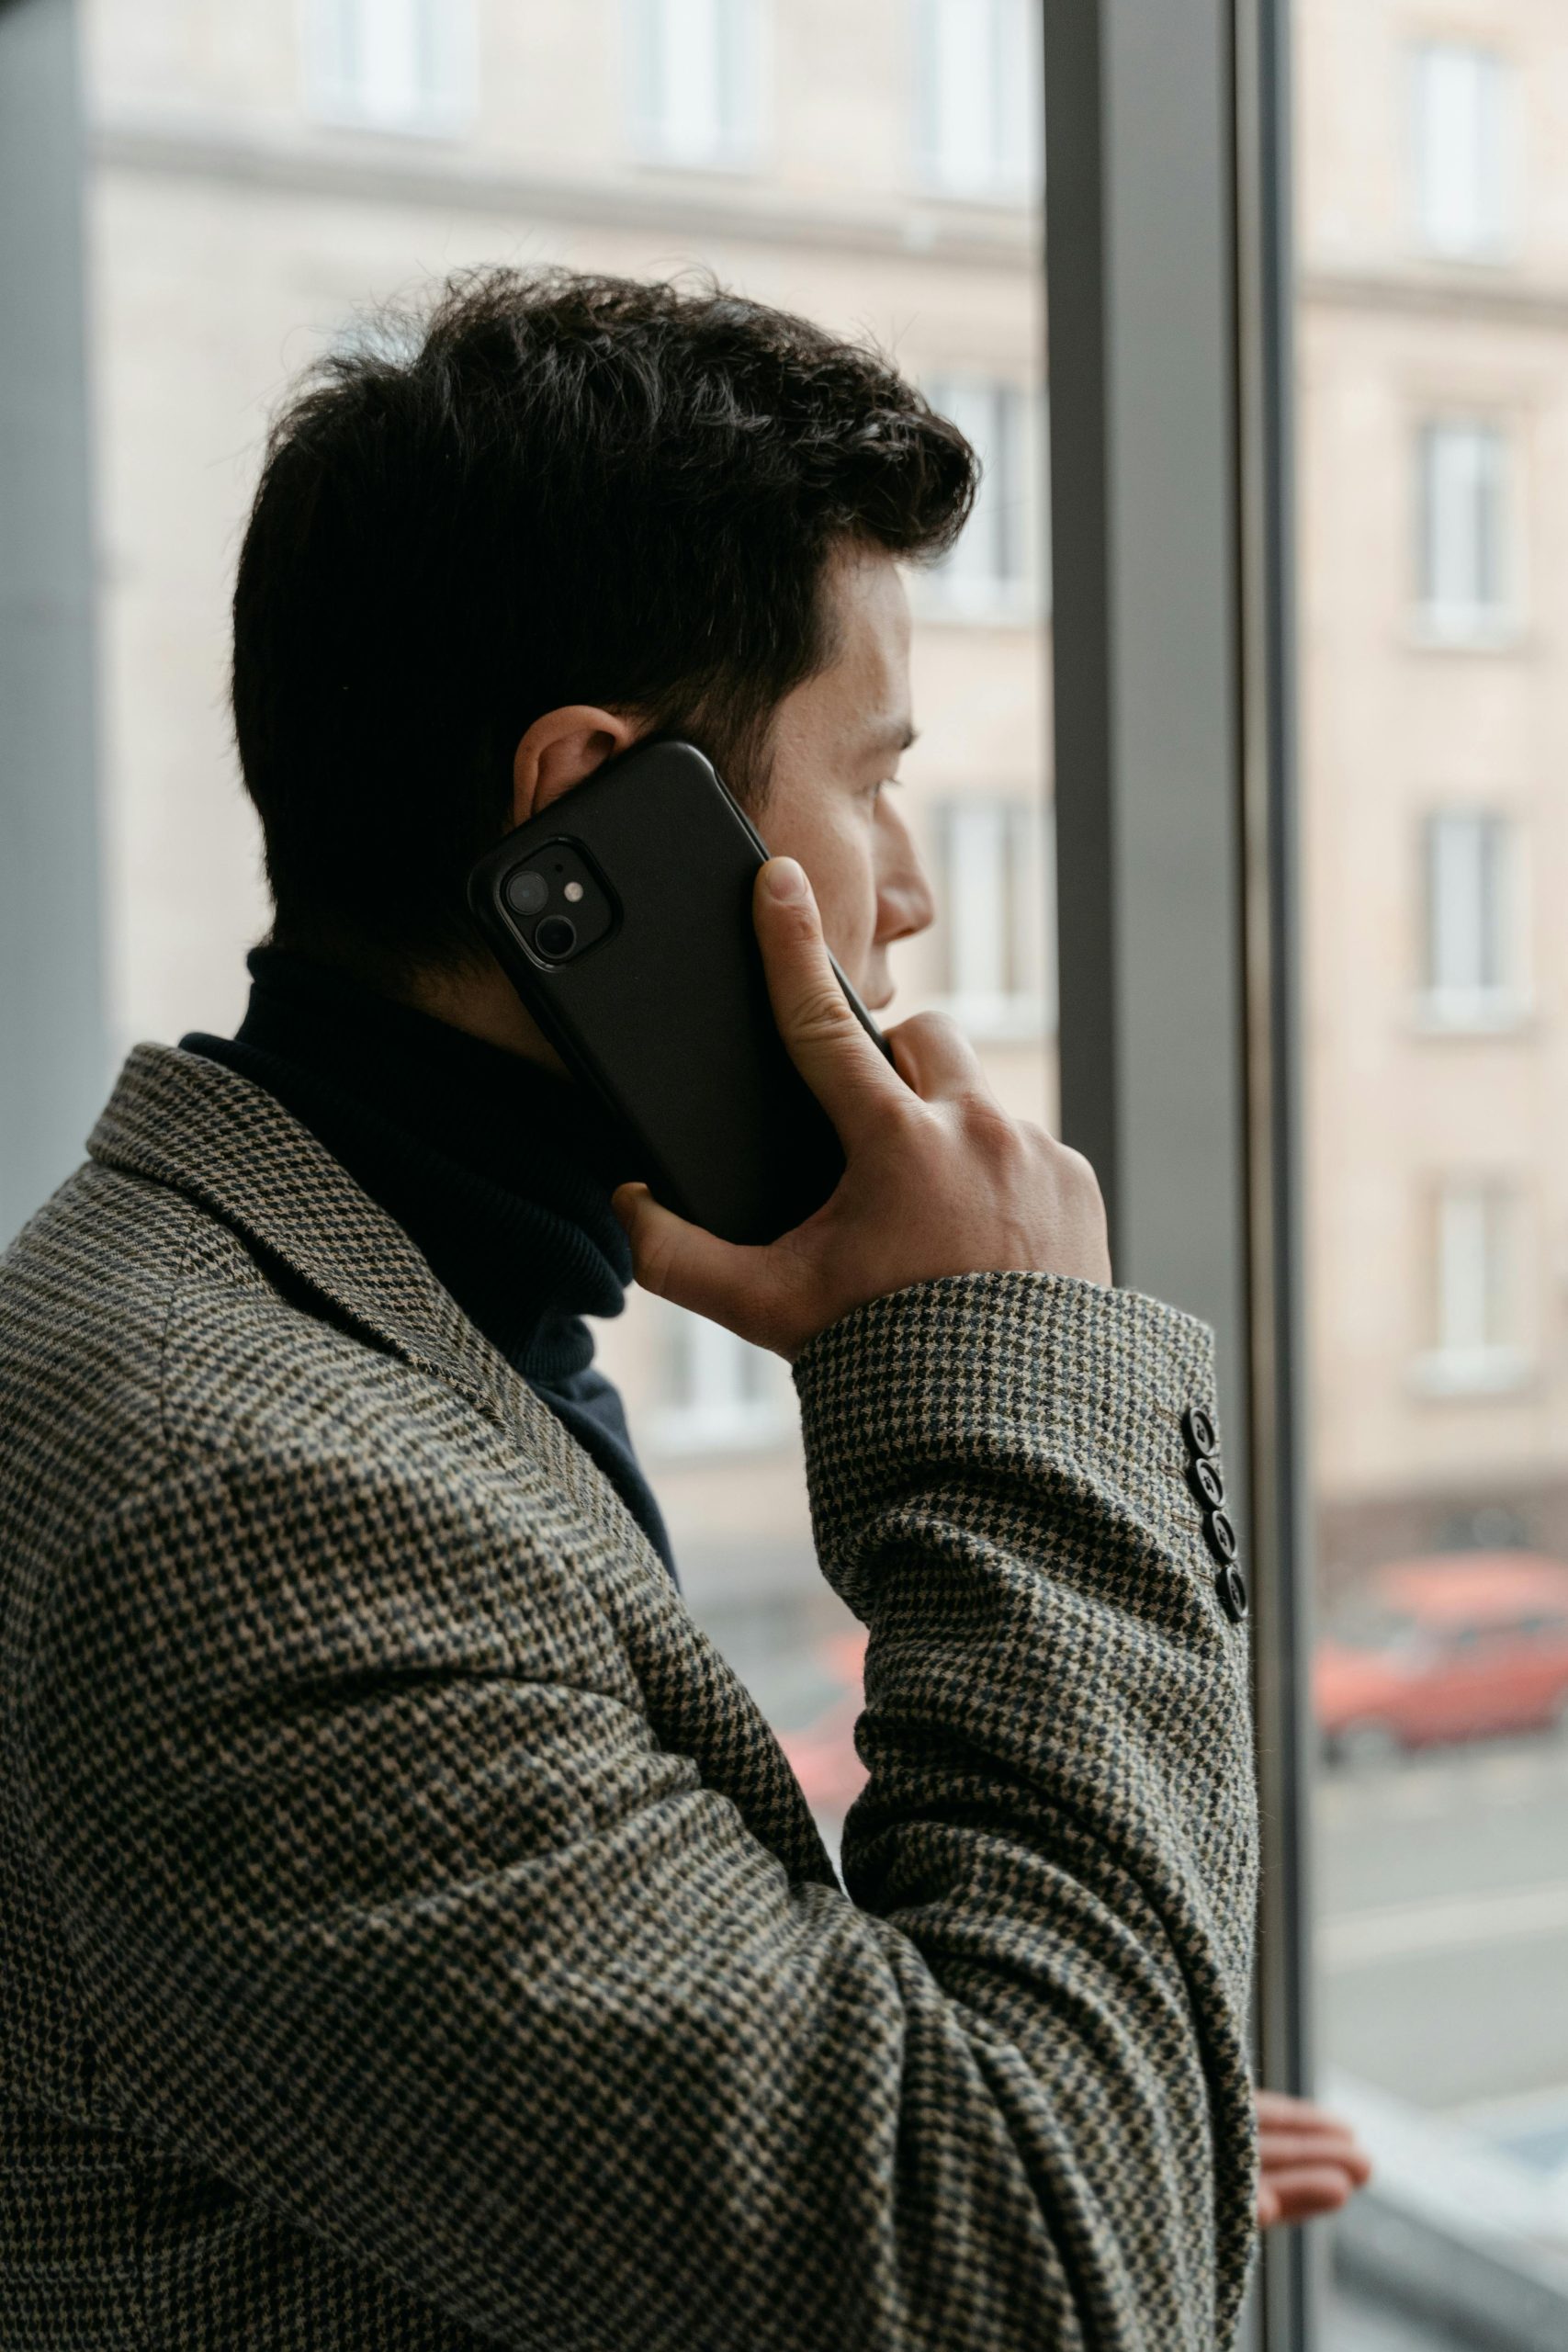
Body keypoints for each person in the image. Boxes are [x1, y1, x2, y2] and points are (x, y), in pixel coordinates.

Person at [0, 269, 1361, 2351]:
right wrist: (1012, 1366)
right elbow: (1029, 2287)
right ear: (590, 816)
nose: (902, 889)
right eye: (870, 773)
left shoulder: (337, 1305)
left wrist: (1062, 2096)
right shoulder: (245, 1503)